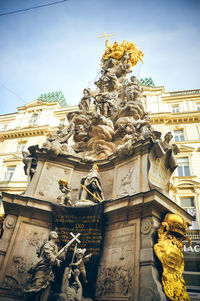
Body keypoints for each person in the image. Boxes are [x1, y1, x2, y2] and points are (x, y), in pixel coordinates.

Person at [25, 231, 67, 301]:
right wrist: (56, 261)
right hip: (42, 267)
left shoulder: (56, 246)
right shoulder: (47, 244)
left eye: (56, 234)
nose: (55, 234)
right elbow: (50, 256)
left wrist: (64, 251)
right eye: (53, 233)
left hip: (49, 269)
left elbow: (59, 257)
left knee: (46, 288)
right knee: (36, 286)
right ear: (50, 236)